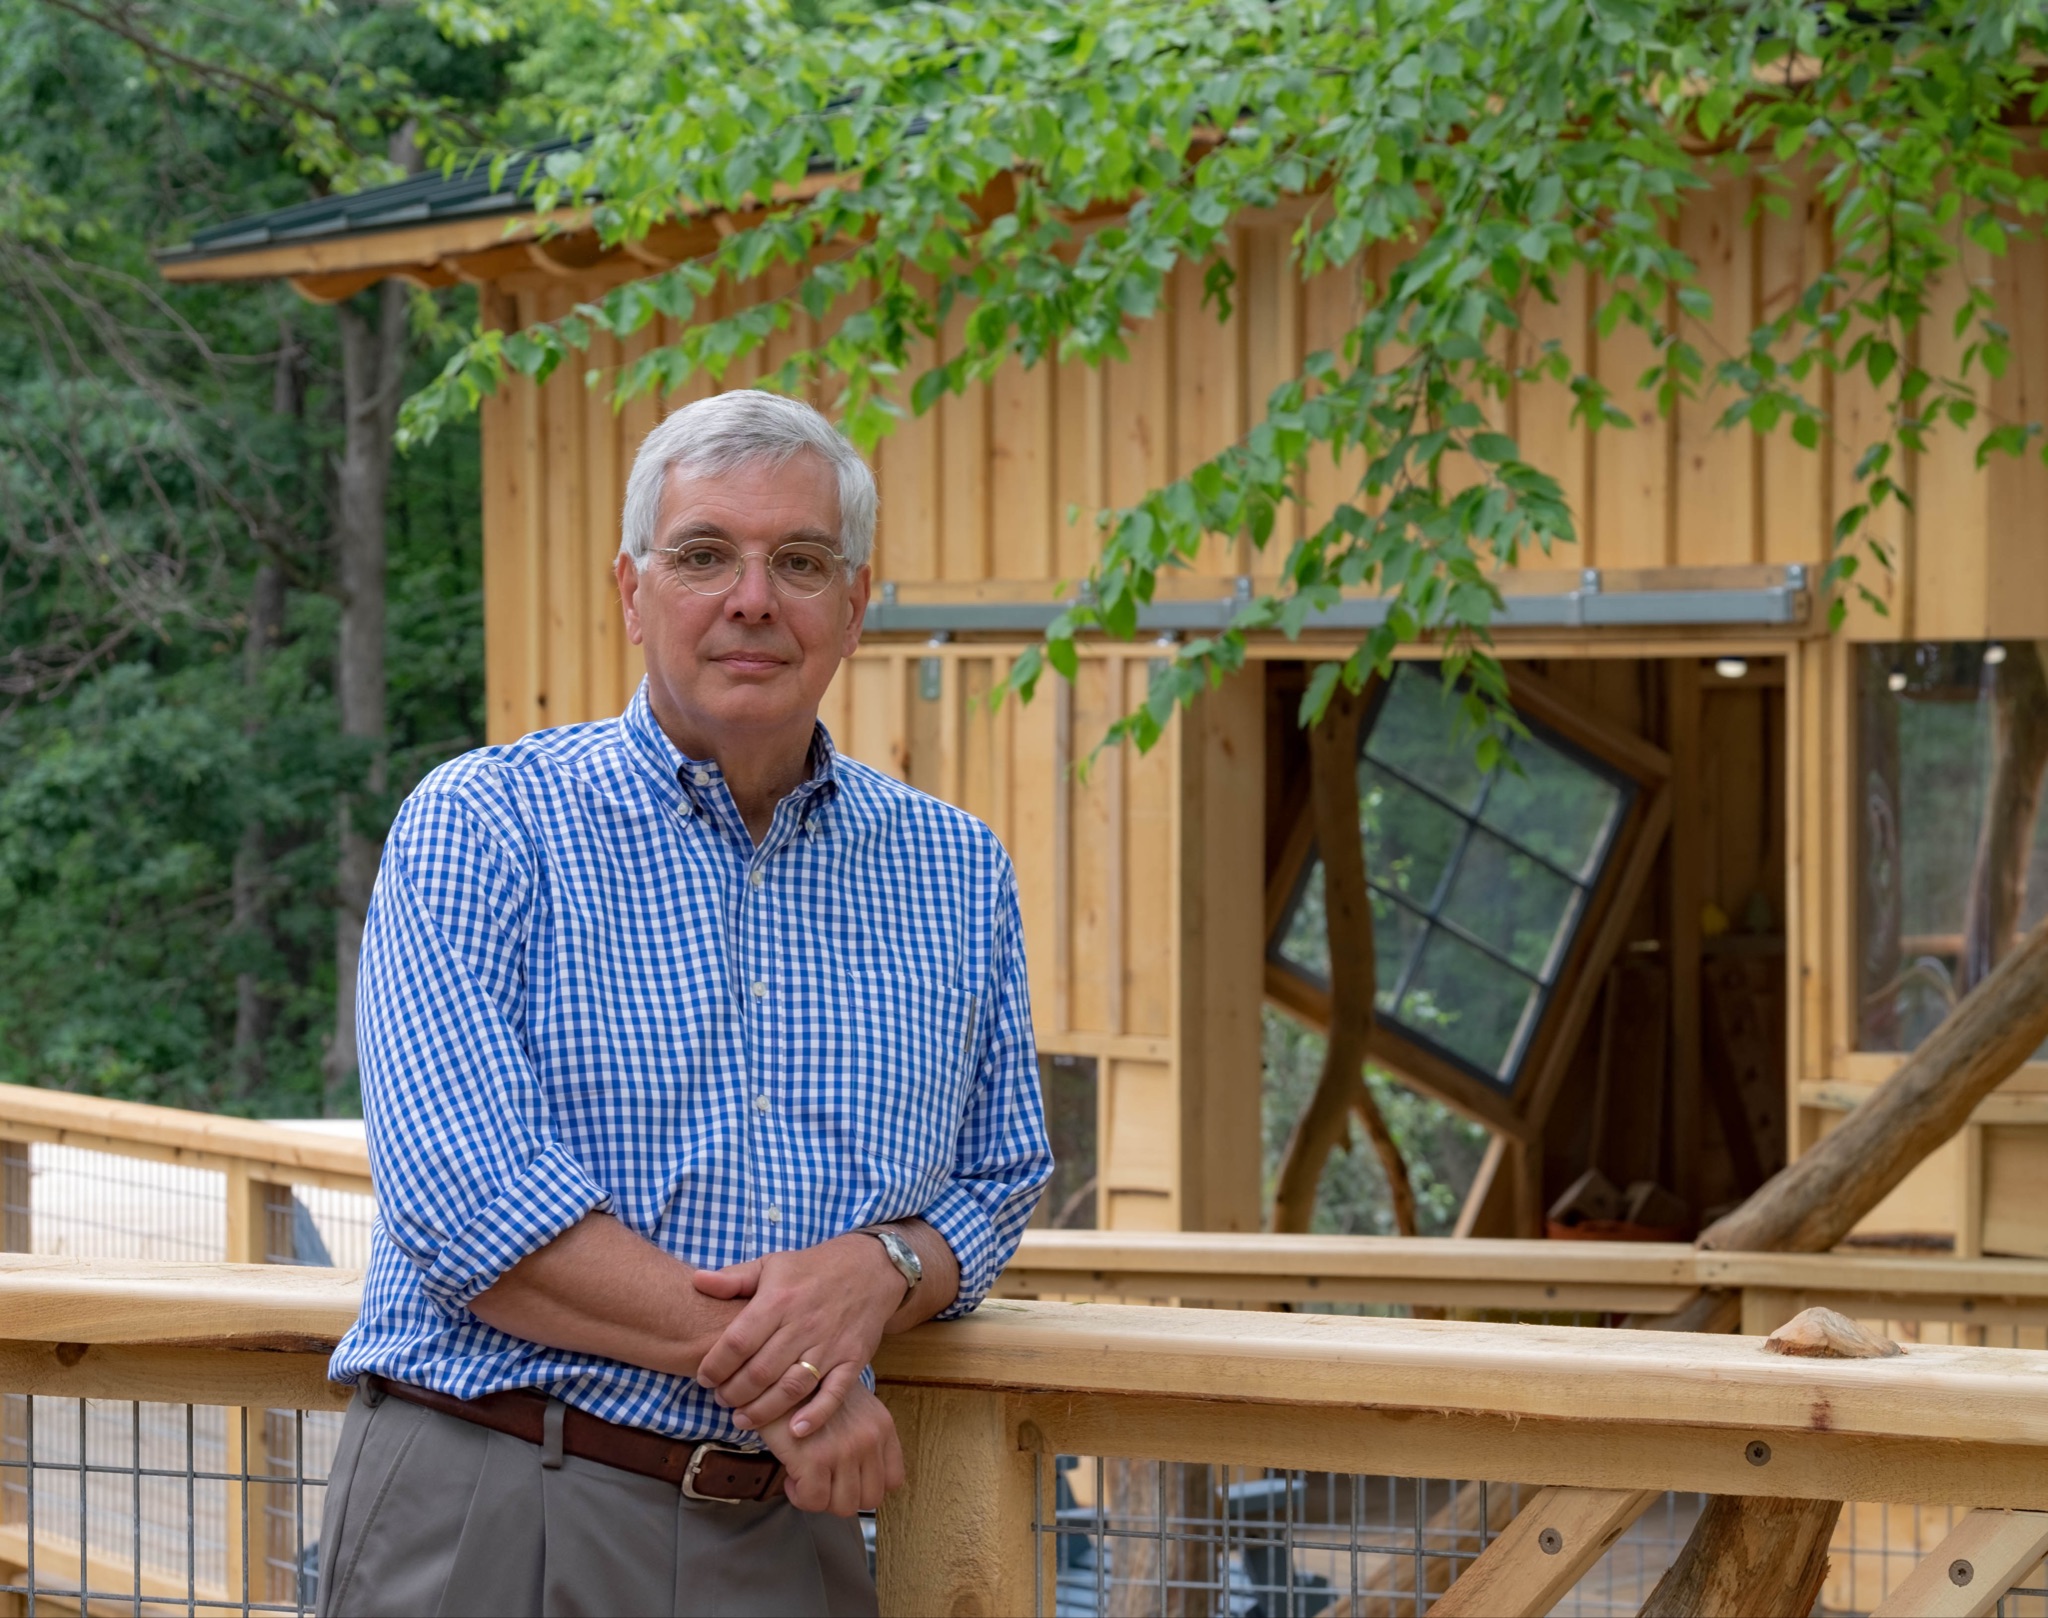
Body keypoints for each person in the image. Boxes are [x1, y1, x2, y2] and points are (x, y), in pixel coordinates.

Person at [315, 390, 1052, 1617]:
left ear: (854, 605)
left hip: (786, 1534)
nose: (752, 596)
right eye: (704, 553)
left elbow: (1001, 1177)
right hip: (498, 1500)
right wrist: (810, 1373)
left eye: (800, 561)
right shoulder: (485, 824)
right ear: (631, 590)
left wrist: (883, 1266)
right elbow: (467, 1208)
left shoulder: (955, 869)